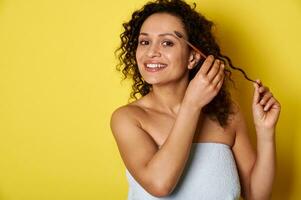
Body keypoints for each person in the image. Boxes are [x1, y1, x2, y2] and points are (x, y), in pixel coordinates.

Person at [110, 0, 281, 199]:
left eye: (167, 42)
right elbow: (159, 185)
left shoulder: (228, 114)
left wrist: (265, 131)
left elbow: (256, 195)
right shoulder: (128, 118)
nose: (151, 52)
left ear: (192, 57)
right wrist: (191, 104)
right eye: (145, 42)